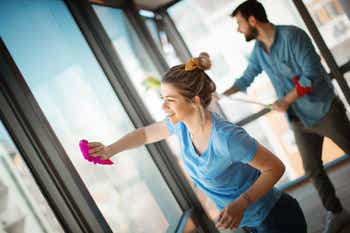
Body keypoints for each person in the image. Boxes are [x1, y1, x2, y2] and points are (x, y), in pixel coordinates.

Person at [88, 53, 307, 233]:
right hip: (250, 222)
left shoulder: (226, 138)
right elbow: (145, 135)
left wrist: (240, 204)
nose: (164, 108)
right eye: (162, 99)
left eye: (170, 100)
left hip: (276, 219)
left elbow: (276, 168)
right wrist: (109, 150)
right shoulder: (181, 126)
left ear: (195, 101)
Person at [221, 1, 350, 233]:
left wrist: (286, 100)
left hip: (324, 110)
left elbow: (311, 75)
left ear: (252, 20)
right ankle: (337, 212)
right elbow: (246, 78)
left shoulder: (293, 36)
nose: (238, 29)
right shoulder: (259, 51)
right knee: (312, 168)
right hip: (299, 120)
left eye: (240, 23)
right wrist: (221, 93)